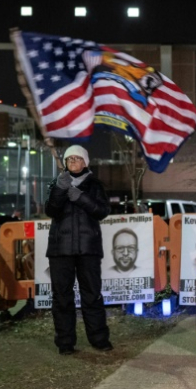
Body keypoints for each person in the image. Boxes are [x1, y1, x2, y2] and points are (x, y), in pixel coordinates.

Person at [45, 144, 112, 355]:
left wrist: (80, 197)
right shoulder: (57, 183)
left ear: (85, 162)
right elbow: (51, 210)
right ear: (65, 163)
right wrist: (59, 190)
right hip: (60, 250)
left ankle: (99, 339)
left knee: (91, 296)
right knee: (62, 298)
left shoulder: (95, 185)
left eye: (78, 159)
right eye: (70, 159)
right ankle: (65, 343)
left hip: (88, 249)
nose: (74, 162)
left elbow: (102, 211)